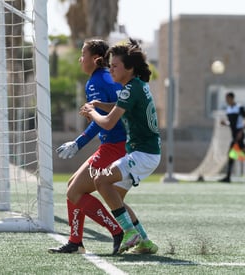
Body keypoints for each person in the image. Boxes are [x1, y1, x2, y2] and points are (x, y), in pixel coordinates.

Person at [48, 38, 152, 255]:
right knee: (76, 187)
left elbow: (104, 119)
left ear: (95, 60)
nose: (79, 59)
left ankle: (117, 231)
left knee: (75, 191)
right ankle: (77, 241)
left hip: (115, 147)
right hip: (120, 145)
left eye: (82, 54)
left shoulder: (96, 81)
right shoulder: (109, 78)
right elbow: (112, 111)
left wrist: (79, 142)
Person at [80, 38, 160, 254]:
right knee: (114, 195)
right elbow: (118, 107)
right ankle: (144, 241)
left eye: (115, 66)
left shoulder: (128, 89)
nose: (111, 70)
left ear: (130, 68)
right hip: (146, 152)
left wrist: (91, 112)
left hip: (144, 154)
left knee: (100, 180)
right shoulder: (135, 86)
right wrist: (98, 104)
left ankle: (128, 232)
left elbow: (108, 122)